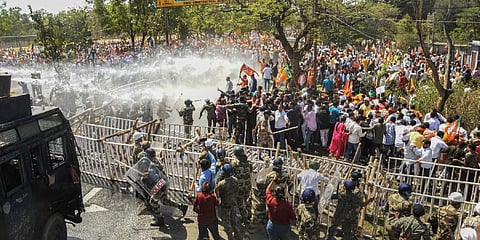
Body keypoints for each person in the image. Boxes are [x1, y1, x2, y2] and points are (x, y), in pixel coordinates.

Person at [133, 148, 188, 227]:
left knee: (153, 202)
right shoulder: (155, 161)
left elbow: (152, 174)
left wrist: (145, 175)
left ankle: (159, 219)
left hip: (159, 185)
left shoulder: (152, 164)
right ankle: (181, 207)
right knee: (165, 200)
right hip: (163, 183)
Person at [265, 172, 296, 240]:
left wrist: (274, 180)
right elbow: (293, 217)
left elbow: (267, 190)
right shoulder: (287, 205)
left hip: (271, 225)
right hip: (284, 227)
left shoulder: (270, 200)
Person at [215, 164, 240, 240]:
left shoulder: (221, 184)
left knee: (227, 224)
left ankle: (230, 237)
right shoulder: (236, 180)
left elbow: (217, 193)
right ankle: (237, 236)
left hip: (225, 205)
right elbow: (237, 191)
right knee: (234, 221)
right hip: (233, 203)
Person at [230, 146, 252, 223]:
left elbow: (231, 172)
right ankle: (249, 214)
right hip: (248, 185)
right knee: (247, 200)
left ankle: (244, 217)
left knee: (240, 202)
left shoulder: (235, 163)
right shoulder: (248, 162)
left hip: (239, 186)